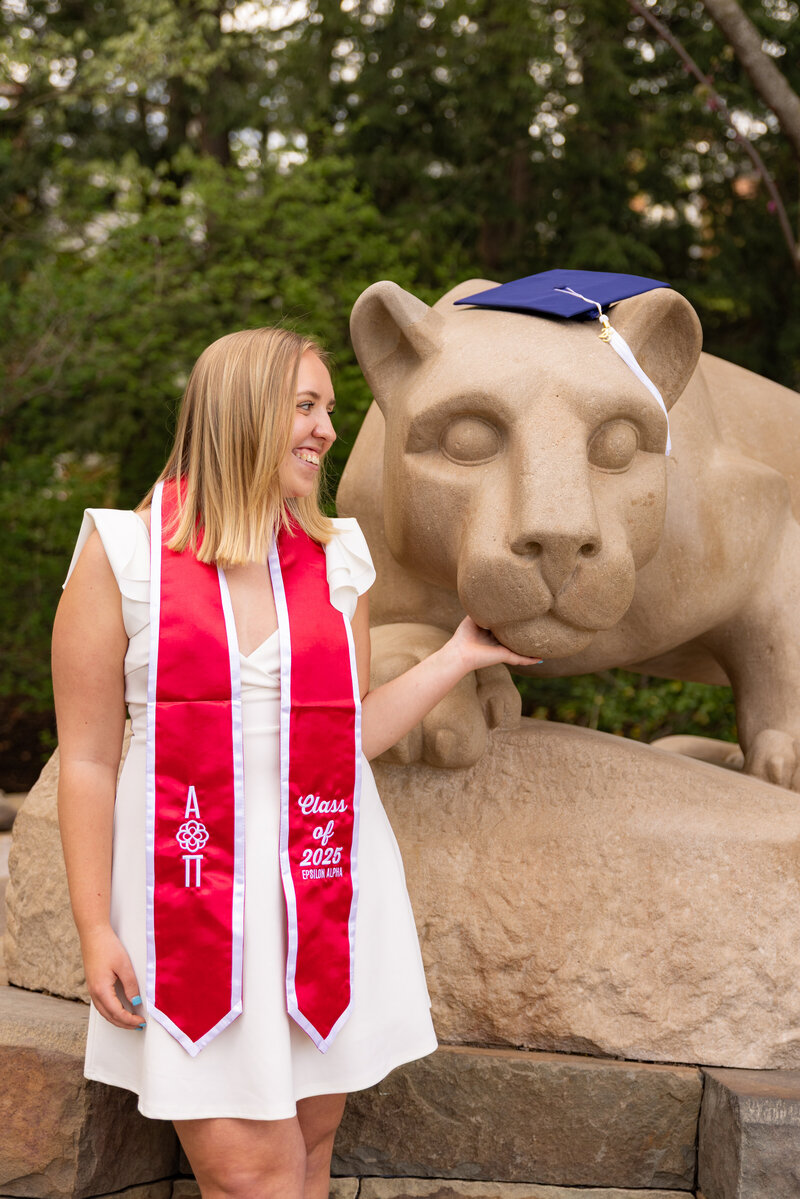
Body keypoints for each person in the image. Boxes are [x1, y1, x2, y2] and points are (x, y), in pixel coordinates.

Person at [52, 326, 540, 1199]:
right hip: (190, 904)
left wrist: (455, 657)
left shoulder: (335, 558)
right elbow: (87, 760)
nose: (326, 430)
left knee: (310, 1151)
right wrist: (95, 927)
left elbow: (342, 736)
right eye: (305, 406)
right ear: (241, 411)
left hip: (322, 898)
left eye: (329, 411)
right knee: (253, 1173)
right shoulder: (121, 556)